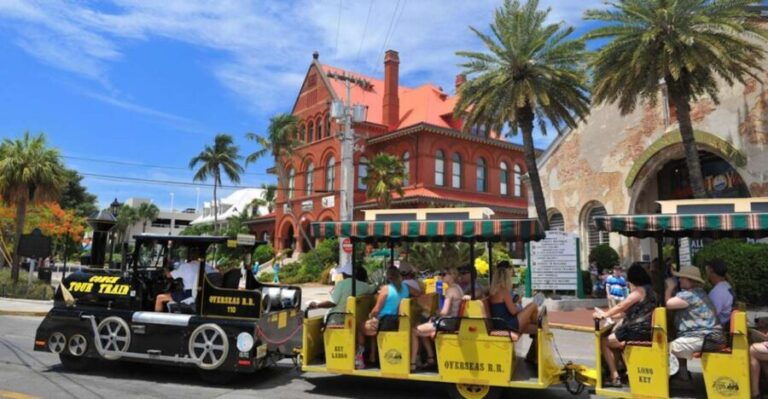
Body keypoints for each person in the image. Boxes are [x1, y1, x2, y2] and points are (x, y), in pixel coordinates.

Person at [593, 264, 656, 388]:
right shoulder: (651, 291)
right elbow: (627, 312)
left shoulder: (639, 291)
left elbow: (621, 306)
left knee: (604, 341)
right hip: (644, 329)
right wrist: (610, 316)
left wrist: (604, 315)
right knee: (614, 343)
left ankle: (614, 375)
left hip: (635, 330)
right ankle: (619, 371)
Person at [665, 265, 722, 383]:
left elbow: (668, 304)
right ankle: (683, 376)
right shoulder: (699, 292)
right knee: (679, 339)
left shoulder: (689, 295)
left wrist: (669, 288)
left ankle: (667, 379)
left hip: (703, 338)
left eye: (682, 278)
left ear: (689, 280)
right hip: (711, 336)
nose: (679, 280)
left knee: (663, 349)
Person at [488, 261, 544, 362]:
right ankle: (537, 321)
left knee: (537, 329)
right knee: (532, 305)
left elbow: (508, 308)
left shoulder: (495, 290)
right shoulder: (503, 290)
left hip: (503, 323)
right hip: (507, 324)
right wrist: (519, 308)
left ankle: (532, 357)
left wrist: (519, 308)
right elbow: (513, 311)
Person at [358, 267, 411, 369]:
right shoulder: (405, 288)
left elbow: (377, 309)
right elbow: (417, 292)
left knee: (360, 326)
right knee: (372, 324)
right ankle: (373, 355)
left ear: (388, 277)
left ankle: (359, 357)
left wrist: (370, 315)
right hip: (398, 320)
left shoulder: (386, 289)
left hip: (385, 322)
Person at [412, 268, 463, 370]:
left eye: (444, 274)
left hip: (448, 322)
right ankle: (430, 357)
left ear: (452, 275)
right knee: (423, 326)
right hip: (453, 321)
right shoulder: (458, 288)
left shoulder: (450, 290)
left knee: (414, 330)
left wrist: (434, 314)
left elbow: (444, 312)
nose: (442, 276)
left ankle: (412, 363)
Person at [307, 262, 374, 325]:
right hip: (355, 319)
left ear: (345, 274)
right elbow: (374, 289)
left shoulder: (341, 284)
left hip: (336, 319)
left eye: (343, 273)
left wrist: (316, 305)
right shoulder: (366, 286)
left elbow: (332, 303)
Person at [154, 247, 202, 312]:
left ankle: (156, 318)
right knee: (171, 293)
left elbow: (168, 275)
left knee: (159, 298)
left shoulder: (185, 267)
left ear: (190, 256)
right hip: (199, 293)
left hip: (188, 294)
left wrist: (165, 269)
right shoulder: (205, 266)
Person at [705, 259, 735, 329]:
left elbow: (710, 316)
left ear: (711, 270)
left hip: (719, 328)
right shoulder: (726, 286)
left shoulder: (717, 292)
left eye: (707, 270)